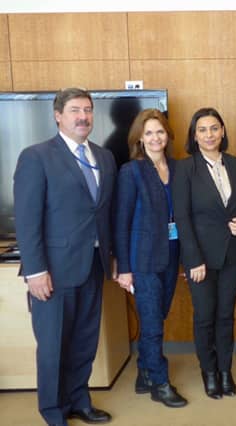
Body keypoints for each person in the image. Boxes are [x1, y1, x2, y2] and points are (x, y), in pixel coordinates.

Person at [13, 88, 116, 426]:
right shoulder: (37, 156)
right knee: (54, 345)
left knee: (85, 341)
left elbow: (104, 213)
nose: (83, 116)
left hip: (93, 267)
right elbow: (28, 220)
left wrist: (112, 256)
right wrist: (35, 271)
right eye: (74, 110)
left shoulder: (103, 157)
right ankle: (54, 412)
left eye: (87, 109)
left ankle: (79, 401)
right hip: (53, 272)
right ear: (58, 115)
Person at [172, 108, 236, 399]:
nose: (209, 135)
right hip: (200, 259)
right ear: (194, 135)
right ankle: (209, 372)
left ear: (223, 131)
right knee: (205, 316)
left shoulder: (235, 163)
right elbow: (182, 218)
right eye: (202, 130)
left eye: (214, 128)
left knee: (226, 316)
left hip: (232, 253)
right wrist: (193, 260)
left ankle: (226, 370)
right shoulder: (185, 169)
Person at [113, 109, 187, 407]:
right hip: (142, 259)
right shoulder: (131, 172)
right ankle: (160, 383)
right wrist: (124, 269)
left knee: (158, 315)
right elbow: (121, 222)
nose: (155, 138)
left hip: (171, 254)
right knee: (154, 323)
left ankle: (144, 372)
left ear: (167, 136)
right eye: (149, 133)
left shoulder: (179, 169)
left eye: (160, 132)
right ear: (139, 140)